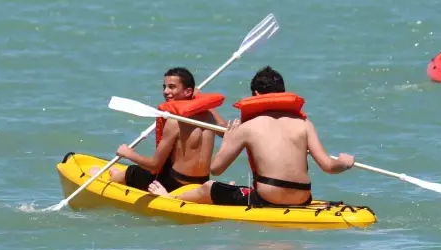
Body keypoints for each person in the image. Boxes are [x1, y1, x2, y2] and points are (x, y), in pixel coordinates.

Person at [149, 66, 354, 206]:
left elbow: (216, 169)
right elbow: (328, 166)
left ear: (255, 94)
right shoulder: (304, 124)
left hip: (267, 199)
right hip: (303, 198)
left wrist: (229, 139)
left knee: (209, 186)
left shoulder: (248, 127)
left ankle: (167, 199)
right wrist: (344, 163)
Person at [97, 67, 227, 193]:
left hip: (174, 184)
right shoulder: (209, 115)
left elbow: (155, 166)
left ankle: (104, 183)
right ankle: (115, 173)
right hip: (202, 181)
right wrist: (202, 102)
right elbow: (225, 132)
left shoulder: (174, 121)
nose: (165, 91)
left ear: (188, 92)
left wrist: (128, 154)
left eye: (172, 87)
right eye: (165, 87)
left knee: (132, 171)